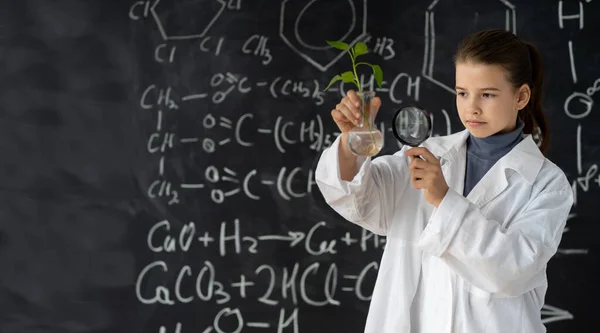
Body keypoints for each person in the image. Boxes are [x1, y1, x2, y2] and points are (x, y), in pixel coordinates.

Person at [315, 29, 574, 333]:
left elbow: (511, 271)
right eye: (462, 93)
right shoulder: (429, 154)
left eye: (487, 94)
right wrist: (352, 143)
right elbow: (359, 199)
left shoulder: (546, 184)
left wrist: (444, 199)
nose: (471, 107)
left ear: (521, 96)